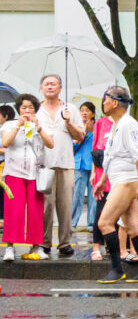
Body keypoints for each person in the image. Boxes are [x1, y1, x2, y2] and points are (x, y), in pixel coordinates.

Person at [93, 86, 138, 284]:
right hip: (119, 179)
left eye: (105, 99)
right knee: (130, 226)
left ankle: (117, 270)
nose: (103, 103)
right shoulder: (117, 125)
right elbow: (110, 157)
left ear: (115, 102)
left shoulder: (128, 124)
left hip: (127, 180)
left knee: (104, 223)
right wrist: (102, 181)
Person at [36, 74, 85, 257]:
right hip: (43, 164)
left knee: (65, 205)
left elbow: (80, 136)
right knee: (45, 206)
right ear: (41, 88)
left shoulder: (69, 108)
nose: (50, 86)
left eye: (53, 83)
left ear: (60, 88)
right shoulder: (36, 110)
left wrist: (67, 121)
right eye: (46, 84)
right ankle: (44, 242)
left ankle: (64, 242)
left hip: (66, 163)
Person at [1, 93, 54, 261]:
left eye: (31, 108)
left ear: (35, 110)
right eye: (24, 107)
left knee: (35, 210)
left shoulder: (40, 125)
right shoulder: (9, 125)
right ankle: (10, 247)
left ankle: (36, 246)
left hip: (35, 173)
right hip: (14, 172)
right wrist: (18, 125)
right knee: (13, 210)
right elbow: (6, 143)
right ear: (18, 109)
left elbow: (51, 144)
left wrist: (38, 128)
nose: (27, 111)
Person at [89, 109, 114, 261]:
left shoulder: (124, 123)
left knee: (116, 213)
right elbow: (95, 149)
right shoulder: (100, 122)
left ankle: (112, 246)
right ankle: (96, 247)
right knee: (100, 210)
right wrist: (93, 172)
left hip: (117, 174)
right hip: (100, 172)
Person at [70, 101, 96, 231]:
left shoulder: (97, 128)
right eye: (82, 110)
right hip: (79, 165)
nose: (84, 113)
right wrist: (84, 131)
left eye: (87, 110)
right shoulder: (77, 128)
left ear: (93, 113)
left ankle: (91, 224)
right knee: (76, 196)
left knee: (94, 197)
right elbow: (72, 146)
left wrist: (91, 130)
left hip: (93, 166)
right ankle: (72, 223)